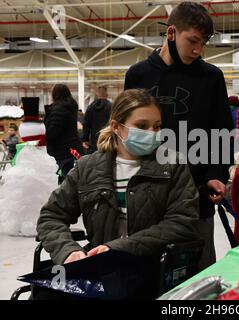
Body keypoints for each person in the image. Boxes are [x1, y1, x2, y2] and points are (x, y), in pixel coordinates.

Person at [37, 89, 200, 293]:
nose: (152, 133)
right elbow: (51, 216)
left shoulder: (173, 165)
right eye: (142, 126)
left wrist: (119, 248)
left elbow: (183, 222)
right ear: (116, 126)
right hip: (101, 273)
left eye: (157, 127)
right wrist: (69, 251)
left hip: (152, 272)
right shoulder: (87, 167)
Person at [124, 2, 233, 270]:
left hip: (196, 196)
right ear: (171, 33)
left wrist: (217, 174)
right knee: (147, 273)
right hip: (147, 198)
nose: (198, 50)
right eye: (193, 41)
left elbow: (222, 131)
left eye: (203, 42)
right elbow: (126, 133)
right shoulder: (138, 75)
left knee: (199, 274)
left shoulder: (211, 77)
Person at [45, 84, 84, 182]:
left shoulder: (59, 109)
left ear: (55, 94)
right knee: (74, 180)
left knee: (68, 182)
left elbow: (53, 131)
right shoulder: (70, 107)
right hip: (72, 148)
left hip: (62, 151)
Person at [82, 86, 112, 153]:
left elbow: (86, 124)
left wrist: (85, 139)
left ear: (97, 94)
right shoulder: (111, 106)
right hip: (107, 138)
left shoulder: (90, 106)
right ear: (107, 94)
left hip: (94, 139)